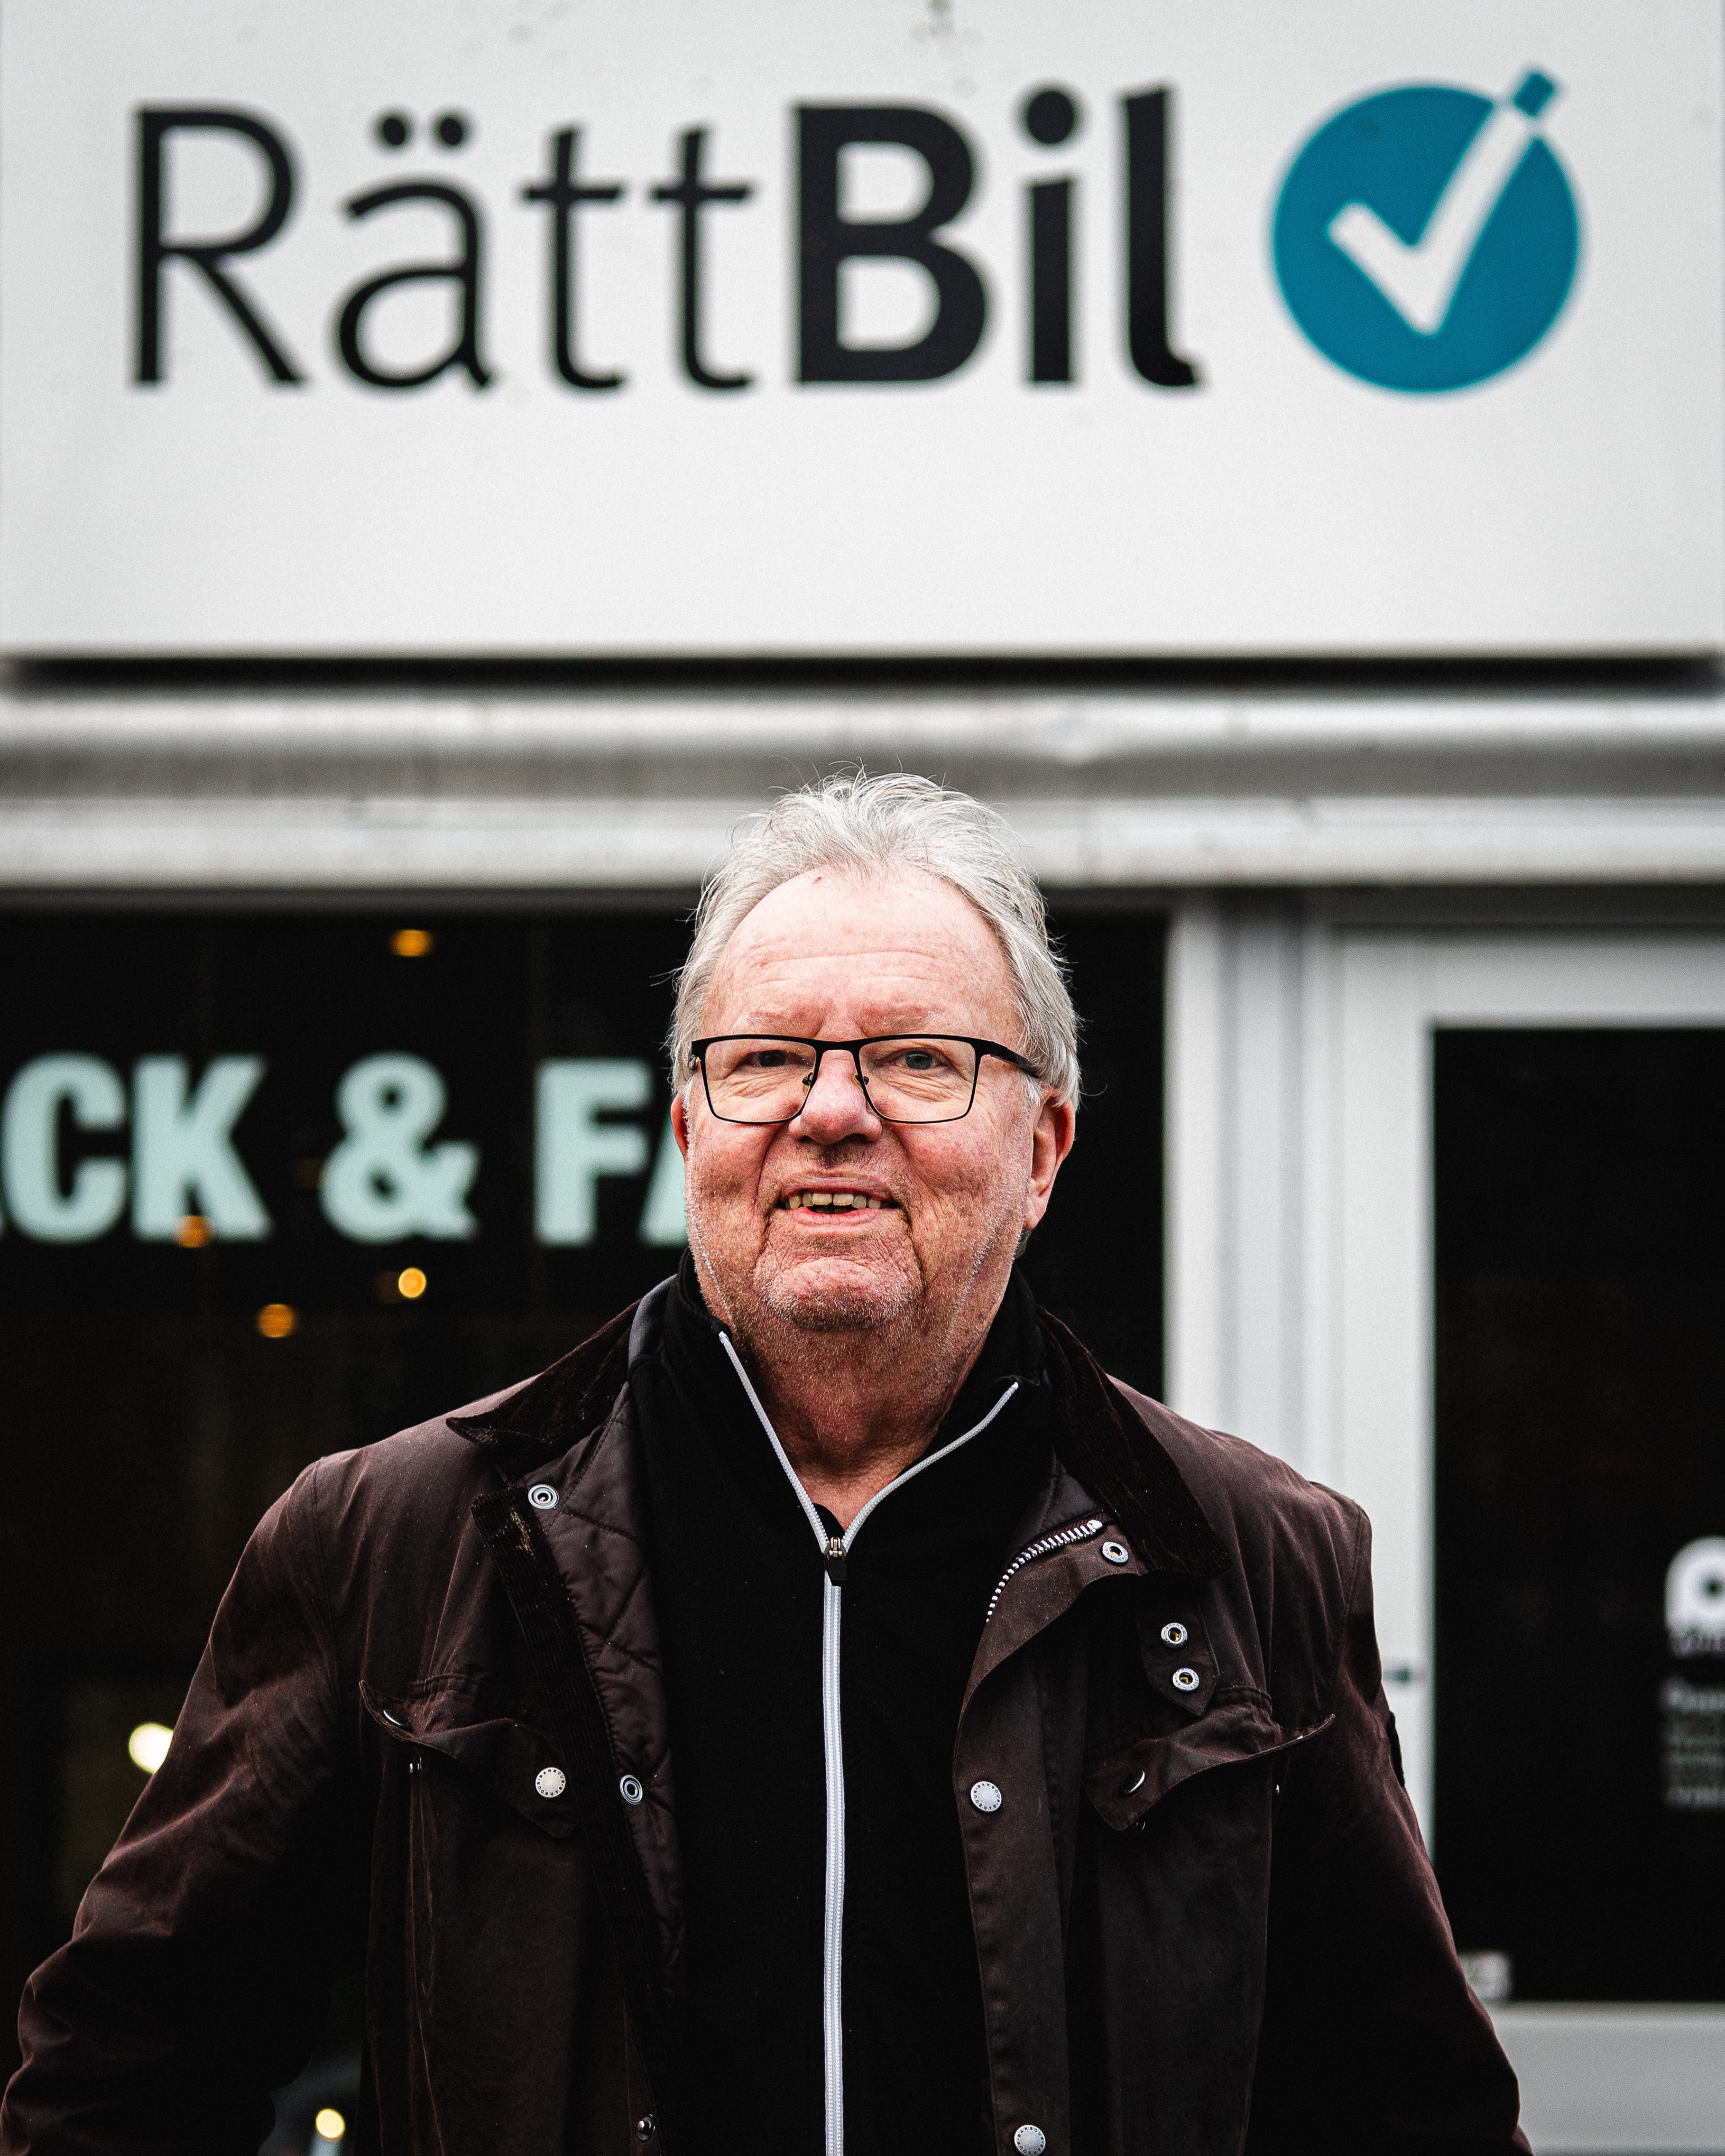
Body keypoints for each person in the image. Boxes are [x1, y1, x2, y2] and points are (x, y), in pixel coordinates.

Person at [2, 773, 1526, 2156]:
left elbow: (1412, 2120)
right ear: (687, 1128)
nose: (832, 1112)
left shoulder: (1249, 1557)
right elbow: (122, 2078)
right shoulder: (399, 1542)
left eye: (921, 1061)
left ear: (1045, 1145)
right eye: (766, 1060)